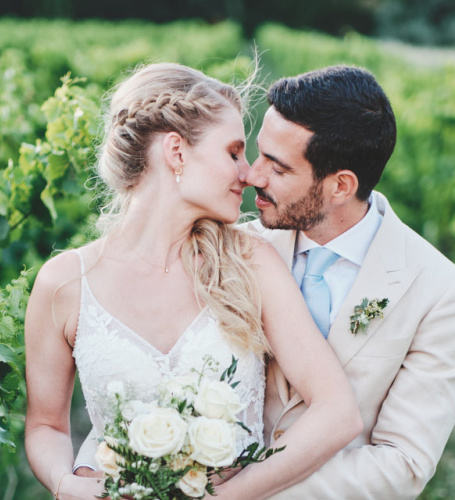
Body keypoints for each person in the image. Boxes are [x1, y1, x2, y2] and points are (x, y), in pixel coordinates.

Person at [24, 62, 362, 500]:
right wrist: (64, 482)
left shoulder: (249, 262)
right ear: (177, 152)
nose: (248, 173)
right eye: (233, 152)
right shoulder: (64, 283)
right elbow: (45, 425)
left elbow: (338, 413)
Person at [242, 65, 455, 499]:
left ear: (340, 186)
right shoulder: (237, 249)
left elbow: (402, 463)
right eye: (259, 155)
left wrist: (244, 489)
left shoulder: (440, 292)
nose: (254, 176)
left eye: (277, 167)